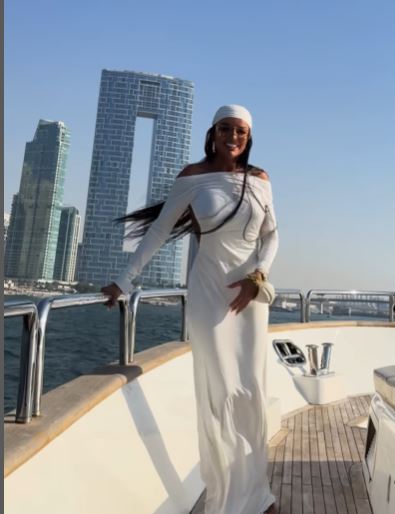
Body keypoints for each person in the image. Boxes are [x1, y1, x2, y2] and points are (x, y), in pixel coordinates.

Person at [101, 105, 279, 514]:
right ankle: (225, 499)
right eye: (225, 129)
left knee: (251, 392)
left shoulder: (261, 180)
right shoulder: (192, 177)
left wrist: (258, 277)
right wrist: (125, 281)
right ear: (212, 133)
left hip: (250, 295)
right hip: (209, 292)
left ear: (249, 137)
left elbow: (271, 236)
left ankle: (258, 495)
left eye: (240, 130)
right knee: (221, 394)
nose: (233, 136)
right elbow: (159, 231)